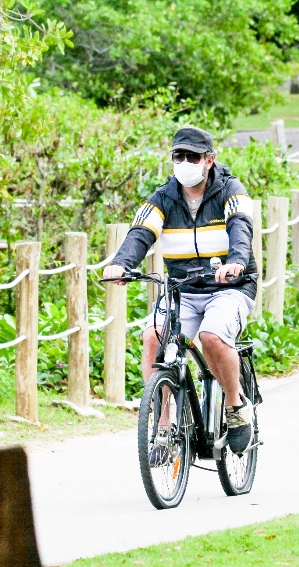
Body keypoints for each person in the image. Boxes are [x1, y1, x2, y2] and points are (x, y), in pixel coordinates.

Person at [103, 126, 258, 456]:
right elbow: (140, 232)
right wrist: (121, 263)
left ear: (209, 160)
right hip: (183, 290)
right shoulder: (163, 198)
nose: (185, 162)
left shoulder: (232, 190)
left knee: (212, 337)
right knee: (152, 338)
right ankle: (163, 423)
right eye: (178, 156)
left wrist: (236, 261)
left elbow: (241, 227)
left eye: (192, 156)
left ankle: (235, 405)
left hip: (229, 287)